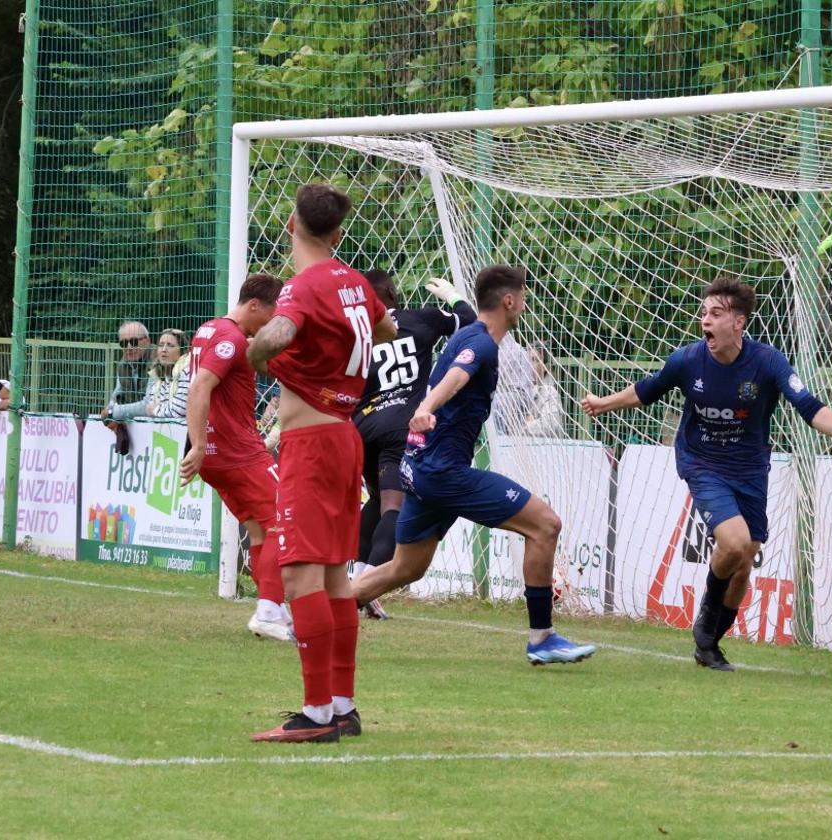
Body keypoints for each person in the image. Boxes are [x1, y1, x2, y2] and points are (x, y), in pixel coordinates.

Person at [581, 276, 832, 671]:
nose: (706, 320)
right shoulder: (687, 361)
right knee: (736, 542)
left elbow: (810, 407)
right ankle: (705, 619)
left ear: (738, 323)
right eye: (704, 313)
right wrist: (604, 403)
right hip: (702, 463)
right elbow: (645, 390)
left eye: (716, 313)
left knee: (744, 561)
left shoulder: (767, 362)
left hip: (751, 468)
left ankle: (709, 644)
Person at [353, 265, 597, 666]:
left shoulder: (471, 334)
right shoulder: (481, 343)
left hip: (423, 468)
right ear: (509, 301)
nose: (524, 303)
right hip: (443, 472)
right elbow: (456, 375)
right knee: (545, 525)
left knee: (404, 568)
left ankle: (317, 612)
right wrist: (426, 408)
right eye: (523, 297)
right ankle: (542, 638)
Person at [245, 184, 397, 744]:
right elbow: (385, 328)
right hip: (345, 434)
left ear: (291, 225)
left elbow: (280, 333)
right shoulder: (355, 281)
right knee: (335, 574)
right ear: (336, 233)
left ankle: (314, 715)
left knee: (299, 572)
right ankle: (341, 704)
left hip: (311, 444)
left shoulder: (301, 288)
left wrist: (258, 352)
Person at [350, 270, 476, 616]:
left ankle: (356, 581)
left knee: (376, 501)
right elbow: (469, 321)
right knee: (395, 505)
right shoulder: (422, 319)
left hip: (361, 427)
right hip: (401, 427)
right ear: (391, 293)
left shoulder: (356, 335)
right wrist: (452, 298)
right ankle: (366, 590)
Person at [179, 273, 289, 642]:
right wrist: (196, 443)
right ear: (254, 305)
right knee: (283, 518)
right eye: (273, 313)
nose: (275, 321)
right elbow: (200, 386)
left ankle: (273, 607)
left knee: (260, 528)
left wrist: (199, 445)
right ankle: (269, 610)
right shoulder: (228, 338)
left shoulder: (210, 329)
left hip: (217, 454)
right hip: (236, 451)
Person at [106, 328, 188, 421]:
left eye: (170, 345)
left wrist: (114, 412)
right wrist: (111, 410)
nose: (164, 350)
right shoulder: (157, 370)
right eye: (161, 345)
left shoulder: (186, 370)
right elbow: (151, 403)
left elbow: (176, 411)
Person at [101, 320, 153, 454]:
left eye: (134, 342)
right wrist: (110, 412)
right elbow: (116, 397)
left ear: (147, 340)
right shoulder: (123, 364)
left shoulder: (157, 361)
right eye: (124, 343)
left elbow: (148, 406)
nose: (129, 347)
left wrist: (113, 413)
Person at [524, 345, 564, 438]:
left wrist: (524, 425)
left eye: (534, 360)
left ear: (546, 367)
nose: (529, 365)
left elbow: (550, 426)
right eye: (527, 360)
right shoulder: (520, 390)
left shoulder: (550, 392)